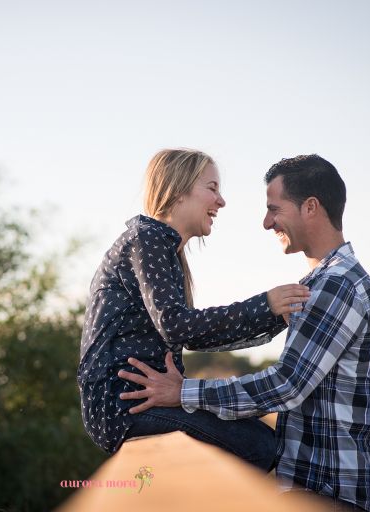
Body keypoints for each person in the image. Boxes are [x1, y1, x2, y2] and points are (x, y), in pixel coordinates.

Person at [118, 154, 370, 512]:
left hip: (326, 490)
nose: (266, 223)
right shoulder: (326, 283)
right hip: (320, 486)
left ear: (310, 207)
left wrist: (183, 392)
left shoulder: (338, 285)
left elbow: (286, 385)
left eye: (274, 209)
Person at [77, 148, 310, 471]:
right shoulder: (148, 239)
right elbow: (177, 326)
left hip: (140, 401)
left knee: (263, 440)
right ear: (177, 190)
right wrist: (265, 305)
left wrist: (272, 317)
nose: (221, 201)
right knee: (260, 446)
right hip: (122, 406)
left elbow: (192, 337)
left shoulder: (160, 245)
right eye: (212, 188)